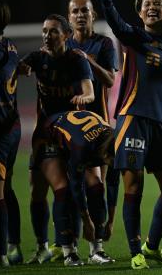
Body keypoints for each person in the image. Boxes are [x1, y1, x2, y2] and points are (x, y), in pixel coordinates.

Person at [99, 0, 162, 269]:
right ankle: (135, 251)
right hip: (132, 118)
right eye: (146, 3)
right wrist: (107, 1)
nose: (150, 6)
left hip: (161, 124)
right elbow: (116, 24)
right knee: (133, 187)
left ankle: (151, 246)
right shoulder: (133, 36)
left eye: (157, 3)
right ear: (140, 11)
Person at [19, 14, 94, 266]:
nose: (46, 36)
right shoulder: (37, 58)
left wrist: (84, 98)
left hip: (69, 135)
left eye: (53, 31)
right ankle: (42, 248)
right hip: (43, 133)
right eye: (44, 31)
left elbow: (90, 91)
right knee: (37, 191)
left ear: (65, 35)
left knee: (63, 189)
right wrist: (20, 68)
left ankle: (69, 249)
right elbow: (15, 68)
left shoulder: (76, 60)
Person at [48, 0, 119, 264]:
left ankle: (96, 247)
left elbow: (111, 80)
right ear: (69, 17)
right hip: (65, 128)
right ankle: (67, 248)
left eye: (85, 11)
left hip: (95, 126)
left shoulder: (103, 43)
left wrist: (88, 60)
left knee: (96, 185)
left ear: (93, 15)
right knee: (65, 187)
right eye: (75, 11)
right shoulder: (62, 46)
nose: (80, 15)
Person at [45, 110, 115, 264]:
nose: (109, 163)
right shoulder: (82, 147)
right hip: (50, 134)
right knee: (63, 189)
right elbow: (77, 185)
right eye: (107, 159)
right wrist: (87, 220)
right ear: (102, 152)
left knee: (97, 186)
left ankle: (97, 251)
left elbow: (113, 184)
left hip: (84, 137)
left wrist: (110, 221)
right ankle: (69, 252)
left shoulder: (115, 143)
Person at [0, 0, 22, 267]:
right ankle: (14, 244)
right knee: (7, 188)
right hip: (13, 127)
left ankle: (0, 253)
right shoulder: (9, 46)